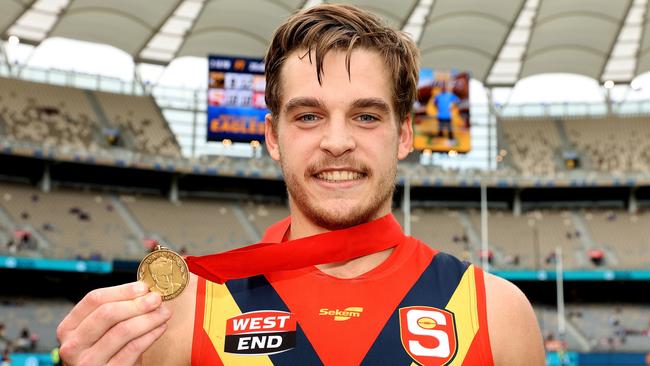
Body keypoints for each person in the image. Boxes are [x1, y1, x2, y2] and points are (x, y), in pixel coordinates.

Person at [56, 4, 544, 365]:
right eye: (308, 115)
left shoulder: (494, 312)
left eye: (367, 116)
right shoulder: (184, 313)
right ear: (273, 136)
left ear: (404, 136)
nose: (337, 142)